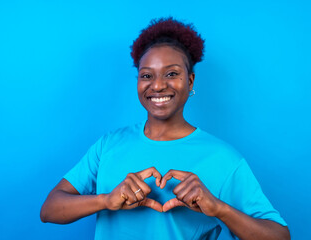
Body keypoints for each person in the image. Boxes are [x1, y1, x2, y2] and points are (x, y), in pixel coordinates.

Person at [40, 17, 290, 240]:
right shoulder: (109, 145)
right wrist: (105, 200)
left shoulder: (224, 159)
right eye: (147, 75)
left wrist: (218, 208)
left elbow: (279, 235)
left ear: (190, 81)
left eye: (171, 74)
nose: (158, 86)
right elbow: (49, 209)